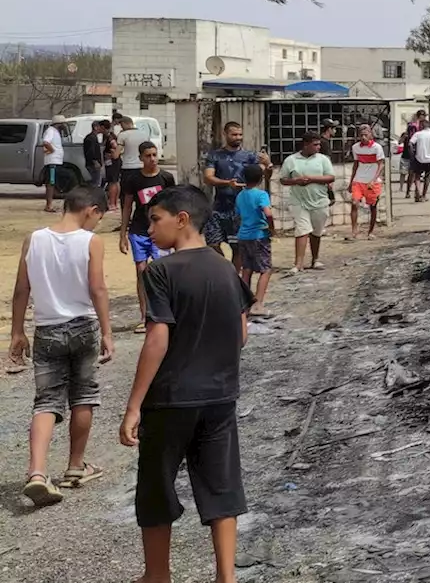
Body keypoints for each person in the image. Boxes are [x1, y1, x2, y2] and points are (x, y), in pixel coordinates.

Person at [118, 185, 254, 583]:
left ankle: (157, 575)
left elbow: (157, 339)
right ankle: (226, 577)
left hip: (171, 399)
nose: (149, 229)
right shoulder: (225, 267)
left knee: (157, 487)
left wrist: (133, 406)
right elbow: (241, 332)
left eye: (155, 220)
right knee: (221, 486)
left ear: (181, 219)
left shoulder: (161, 271)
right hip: (220, 396)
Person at [9, 185, 114, 507]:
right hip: (83, 326)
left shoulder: (34, 239)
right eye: (99, 217)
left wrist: (17, 332)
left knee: (46, 401)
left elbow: (21, 290)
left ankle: (37, 473)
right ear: (90, 210)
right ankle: (74, 467)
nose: (97, 224)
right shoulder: (90, 241)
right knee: (83, 396)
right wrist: (108, 332)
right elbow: (97, 288)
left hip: (47, 328)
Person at [121, 141, 176, 335]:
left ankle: (165, 313)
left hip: (160, 232)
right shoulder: (133, 180)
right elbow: (127, 206)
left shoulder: (166, 178)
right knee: (141, 272)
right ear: (140, 158)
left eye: (154, 155)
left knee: (161, 271)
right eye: (148, 156)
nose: (152, 159)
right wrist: (123, 234)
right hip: (138, 230)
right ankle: (144, 316)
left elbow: (173, 206)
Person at [203, 122, 270, 267]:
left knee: (238, 247)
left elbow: (263, 174)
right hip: (219, 206)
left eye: (240, 134)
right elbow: (208, 177)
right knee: (213, 244)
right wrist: (227, 183)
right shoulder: (215, 155)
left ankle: (234, 277)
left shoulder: (249, 156)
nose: (238, 137)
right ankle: (224, 268)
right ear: (225, 134)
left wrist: (267, 164)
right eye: (234, 134)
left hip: (240, 208)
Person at [280, 132, 335, 275]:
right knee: (302, 230)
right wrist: (296, 181)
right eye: (315, 144)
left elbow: (330, 177)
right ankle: (298, 264)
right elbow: (283, 179)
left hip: (320, 200)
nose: (318, 147)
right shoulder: (291, 160)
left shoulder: (323, 159)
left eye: (319, 144)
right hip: (299, 200)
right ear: (306, 144)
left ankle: (315, 259)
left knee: (316, 232)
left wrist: (311, 179)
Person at [234, 164, 274, 317]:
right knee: (266, 269)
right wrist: (271, 228)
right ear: (261, 178)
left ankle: (244, 303)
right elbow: (268, 213)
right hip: (259, 235)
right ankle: (258, 304)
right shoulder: (261, 194)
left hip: (243, 236)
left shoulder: (240, 196)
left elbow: (238, 215)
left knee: (247, 269)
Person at [348, 124, 385, 240]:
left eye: (366, 134)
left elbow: (381, 165)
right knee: (354, 203)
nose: (363, 137)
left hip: (372, 181)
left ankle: (371, 231)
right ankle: (354, 230)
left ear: (370, 134)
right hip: (359, 179)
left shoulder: (377, 147)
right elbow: (355, 165)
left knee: (373, 206)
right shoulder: (356, 147)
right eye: (361, 135)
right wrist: (350, 182)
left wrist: (374, 180)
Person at [41, 116, 66, 213]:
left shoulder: (56, 132)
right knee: (50, 183)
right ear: (58, 124)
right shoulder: (51, 131)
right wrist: (52, 150)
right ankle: (48, 206)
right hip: (52, 161)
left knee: (53, 183)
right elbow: (46, 142)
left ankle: (50, 204)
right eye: (62, 123)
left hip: (56, 161)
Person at [409, 122, 430, 202]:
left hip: (419, 158)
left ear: (421, 126)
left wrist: (412, 154)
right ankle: (424, 195)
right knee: (427, 177)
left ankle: (418, 193)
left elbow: (410, 144)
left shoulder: (417, 134)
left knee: (417, 177)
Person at [116, 116, 149, 186]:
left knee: (127, 192)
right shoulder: (144, 134)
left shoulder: (122, 135)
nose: (121, 127)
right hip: (141, 166)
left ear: (125, 123)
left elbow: (116, 154)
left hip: (127, 167)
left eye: (122, 125)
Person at [102, 121, 121, 211]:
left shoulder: (109, 137)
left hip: (112, 162)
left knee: (112, 182)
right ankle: (115, 202)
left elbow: (115, 146)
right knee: (115, 181)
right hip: (114, 161)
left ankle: (112, 203)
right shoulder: (111, 135)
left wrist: (113, 154)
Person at [83, 119, 105, 190]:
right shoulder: (91, 138)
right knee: (96, 182)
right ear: (95, 127)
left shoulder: (92, 137)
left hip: (93, 163)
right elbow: (91, 151)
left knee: (96, 181)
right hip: (93, 164)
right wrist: (95, 161)